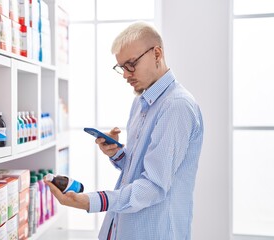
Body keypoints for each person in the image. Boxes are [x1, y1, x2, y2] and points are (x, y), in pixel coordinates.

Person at [44, 21, 204, 240]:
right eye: (121, 67)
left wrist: (91, 201)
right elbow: (141, 167)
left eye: (131, 64)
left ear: (157, 53)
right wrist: (117, 153)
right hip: (125, 227)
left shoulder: (176, 106)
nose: (126, 75)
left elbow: (153, 186)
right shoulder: (141, 102)